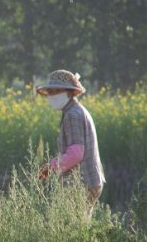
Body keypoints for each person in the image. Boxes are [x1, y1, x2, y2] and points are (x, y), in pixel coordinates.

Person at [36, 69, 105, 217]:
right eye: (50, 92)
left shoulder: (72, 115)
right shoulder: (77, 111)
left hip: (82, 182)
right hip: (90, 180)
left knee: (68, 224)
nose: (52, 95)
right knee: (80, 224)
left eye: (57, 91)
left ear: (70, 92)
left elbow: (76, 154)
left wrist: (50, 167)